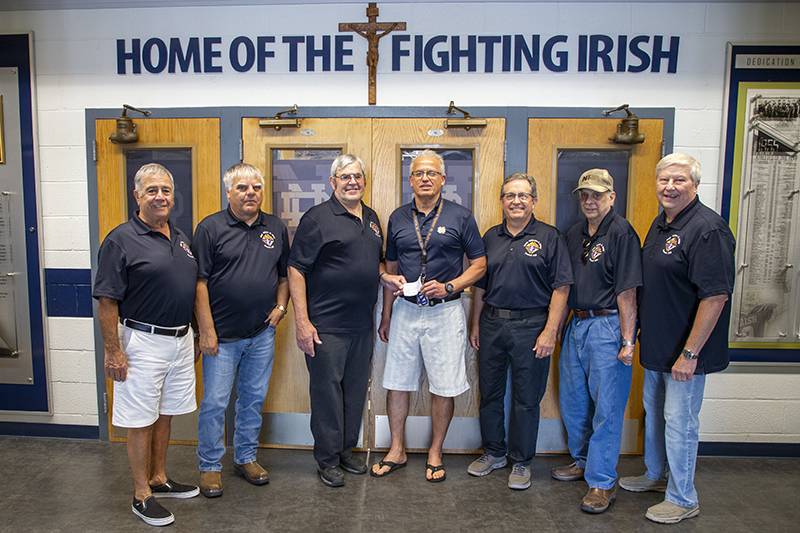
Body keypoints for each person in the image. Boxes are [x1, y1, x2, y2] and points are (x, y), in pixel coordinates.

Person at [620, 153, 735, 524]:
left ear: (695, 186)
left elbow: (715, 296)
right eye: (664, 180)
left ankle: (684, 497)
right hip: (658, 346)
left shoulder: (707, 229)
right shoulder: (662, 224)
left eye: (679, 180)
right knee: (655, 415)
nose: (669, 187)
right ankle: (656, 476)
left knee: (680, 421)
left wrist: (690, 353)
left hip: (686, 352)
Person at [93, 163, 199, 527]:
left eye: (166, 190)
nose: (160, 196)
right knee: (140, 419)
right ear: (136, 196)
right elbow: (107, 300)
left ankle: (159, 477)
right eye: (152, 190)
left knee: (165, 412)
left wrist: (197, 335)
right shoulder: (120, 239)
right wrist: (113, 350)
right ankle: (141, 493)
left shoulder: (182, 239)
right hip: (141, 342)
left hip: (180, 340)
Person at [372, 149, 487, 483]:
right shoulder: (397, 217)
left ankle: (436, 451)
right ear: (410, 180)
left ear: (442, 179)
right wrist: (387, 313)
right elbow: (390, 267)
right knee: (397, 382)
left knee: (444, 385)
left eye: (431, 173)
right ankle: (397, 448)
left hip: (445, 312)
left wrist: (451, 286)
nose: (424, 178)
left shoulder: (461, 216)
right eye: (419, 173)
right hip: (405, 311)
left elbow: (479, 265)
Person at [288, 154, 398, 488]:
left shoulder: (372, 217)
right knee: (327, 395)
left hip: (360, 324)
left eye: (358, 177)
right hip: (326, 326)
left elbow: (373, 263)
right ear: (333, 182)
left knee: (353, 391)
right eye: (345, 177)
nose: (353, 182)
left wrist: (385, 278)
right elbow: (296, 269)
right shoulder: (317, 218)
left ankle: (347, 450)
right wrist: (303, 322)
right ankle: (327, 458)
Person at [466, 172, 572, 490]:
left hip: (532, 326)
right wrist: (475, 324)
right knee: (491, 394)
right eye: (510, 196)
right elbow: (480, 287)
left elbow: (562, 287)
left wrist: (550, 331)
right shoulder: (490, 237)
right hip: (492, 324)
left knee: (527, 399)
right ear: (502, 201)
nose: (516, 201)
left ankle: (522, 461)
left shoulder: (550, 237)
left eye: (523, 196)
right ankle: (494, 453)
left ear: (533, 201)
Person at [193, 163, 290, 497]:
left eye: (256, 187)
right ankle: (209, 466)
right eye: (242, 187)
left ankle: (246, 457)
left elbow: (283, 276)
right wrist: (206, 330)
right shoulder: (210, 228)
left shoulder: (275, 227)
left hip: (261, 334)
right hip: (222, 337)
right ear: (229, 192)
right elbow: (200, 283)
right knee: (216, 403)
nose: (251, 193)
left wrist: (280, 308)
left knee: (252, 399)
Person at [550, 169, 642, 512]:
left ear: (611, 197)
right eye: (585, 195)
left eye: (597, 195)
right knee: (574, 402)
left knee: (607, 408)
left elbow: (628, 291)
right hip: (577, 324)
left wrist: (628, 340)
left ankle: (602, 481)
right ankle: (583, 461)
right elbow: (563, 285)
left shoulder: (622, 233)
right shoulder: (573, 234)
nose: (590, 201)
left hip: (608, 326)